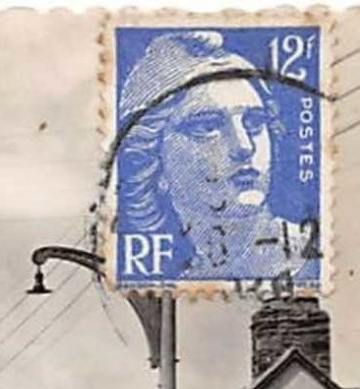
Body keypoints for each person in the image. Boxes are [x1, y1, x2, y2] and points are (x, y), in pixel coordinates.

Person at [117, 29, 315, 283]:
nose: (244, 147)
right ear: (151, 159)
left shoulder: (306, 262)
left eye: (254, 122)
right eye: (207, 127)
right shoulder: (183, 273)